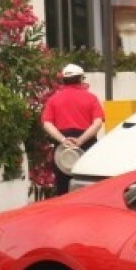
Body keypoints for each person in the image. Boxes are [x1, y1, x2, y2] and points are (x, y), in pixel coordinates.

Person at [41, 63, 105, 196]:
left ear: (63, 80)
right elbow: (98, 122)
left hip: (63, 148)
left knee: (63, 188)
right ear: (81, 79)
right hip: (87, 145)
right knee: (88, 186)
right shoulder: (91, 98)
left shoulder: (54, 99)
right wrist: (80, 140)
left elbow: (47, 123)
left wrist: (63, 140)